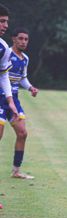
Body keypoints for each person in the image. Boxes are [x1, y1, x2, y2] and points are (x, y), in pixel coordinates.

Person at [0, 28, 39, 179]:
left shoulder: (25, 59)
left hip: (14, 99)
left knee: (22, 133)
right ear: (13, 39)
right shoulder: (5, 52)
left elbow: (22, 77)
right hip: (1, 97)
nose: (23, 41)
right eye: (20, 38)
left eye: (26, 39)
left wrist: (30, 87)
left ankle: (16, 171)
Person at [0, 4, 22, 180]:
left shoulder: (3, 48)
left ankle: (16, 170)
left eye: (6, 22)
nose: (5, 26)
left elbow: (3, 75)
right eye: (2, 21)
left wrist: (11, 101)